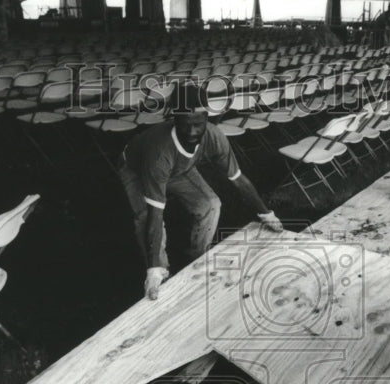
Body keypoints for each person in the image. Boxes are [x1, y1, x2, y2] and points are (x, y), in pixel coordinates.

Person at [118, 83, 284, 301]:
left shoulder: (214, 136)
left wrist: (266, 215)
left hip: (179, 169)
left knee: (210, 204)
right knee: (147, 216)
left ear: (207, 117)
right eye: (186, 124)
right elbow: (156, 215)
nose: (193, 132)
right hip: (138, 170)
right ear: (174, 119)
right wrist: (153, 269)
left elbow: (239, 180)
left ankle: (197, 255)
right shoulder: (159, 152)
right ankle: (161, 272)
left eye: (199, 124)